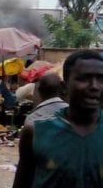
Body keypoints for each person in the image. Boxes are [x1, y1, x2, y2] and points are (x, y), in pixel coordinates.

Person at [13, 50, 103, 188]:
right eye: (84, 79)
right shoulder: (36, 131)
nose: (95, 86)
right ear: (64, 87)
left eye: (101, 79)